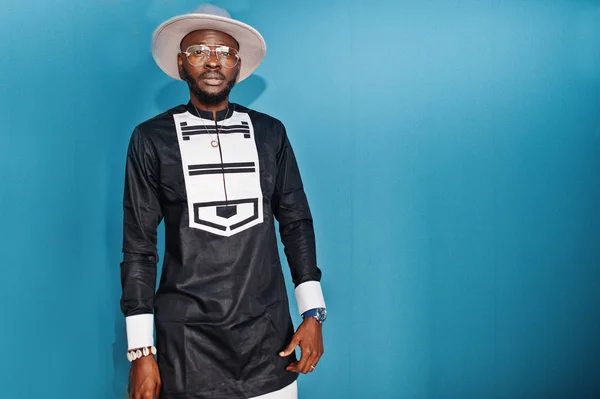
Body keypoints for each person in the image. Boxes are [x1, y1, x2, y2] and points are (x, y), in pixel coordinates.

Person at [119, 4, 327, 399]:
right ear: (181, 64)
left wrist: (313, 312)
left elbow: (296, 221)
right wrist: (141, 351)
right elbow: (139, 247)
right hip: (186, 344)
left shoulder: (270, 133)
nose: (212, 62)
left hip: (267, 339)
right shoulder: (151, 139)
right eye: (199, 51)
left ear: (237, 64)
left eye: (224, 53)